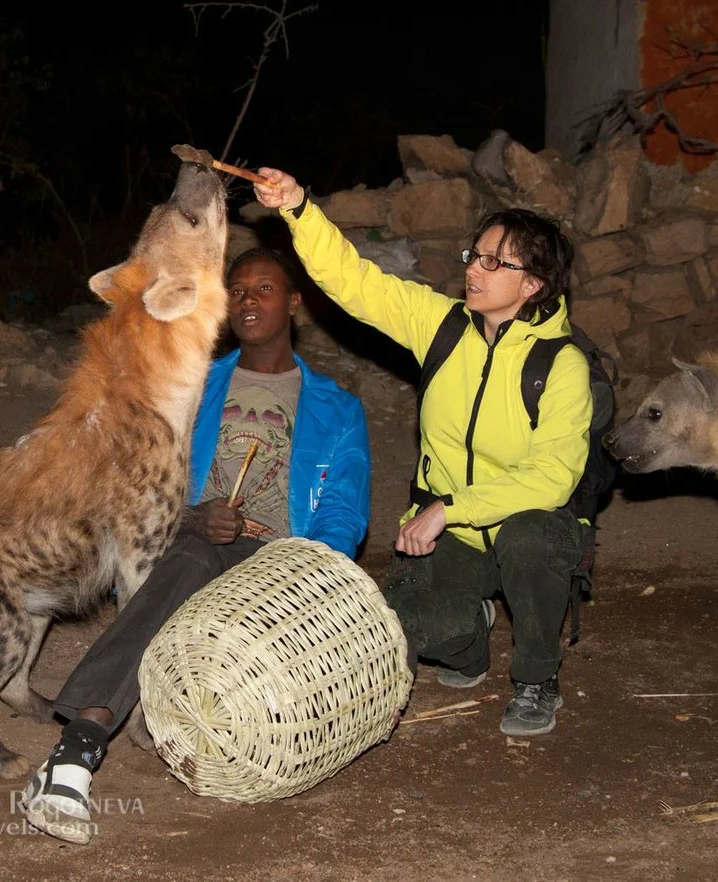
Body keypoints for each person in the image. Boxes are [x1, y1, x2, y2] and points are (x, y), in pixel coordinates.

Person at [23, 247, 372, 844]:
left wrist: (304, 570)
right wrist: (189, 518)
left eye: (264, 289)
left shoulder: (338, 410)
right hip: (193, 545)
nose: (248, 300)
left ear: (294, 305)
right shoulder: (193, 385)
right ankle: (77, 751)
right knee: (192, 557)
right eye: (237, 290)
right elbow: (140, 483)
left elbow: (343, 515)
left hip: (282, 563)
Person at [253, 170, 591, 739]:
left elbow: (552, 478)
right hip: (451, 535)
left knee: (530, 537)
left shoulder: (560, 364)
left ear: (533, 284)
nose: (473, 270)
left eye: (494, 263)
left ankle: (537, 678)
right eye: (474, 255)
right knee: (394, 628)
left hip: (525, 525)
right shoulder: (441, 325)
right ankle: (470, 638)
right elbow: (353, 281)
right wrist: (298, 209)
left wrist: (448, 508)